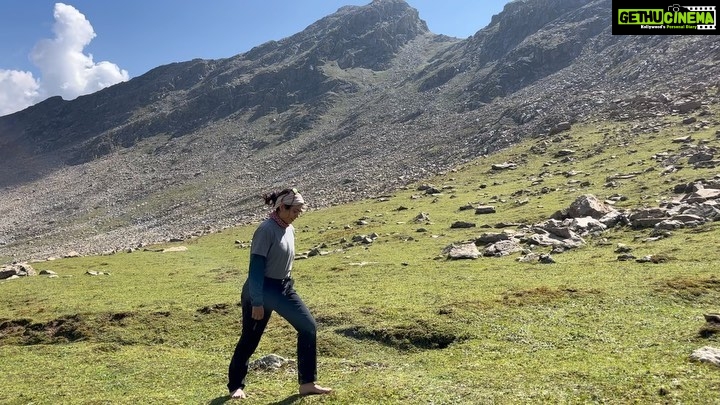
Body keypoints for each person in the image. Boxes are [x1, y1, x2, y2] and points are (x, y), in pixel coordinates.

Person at [227, 188, 332, 399]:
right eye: (294, 211)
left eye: (299, 211)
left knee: (308, 327)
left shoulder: (289, 228)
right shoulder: (266, 230)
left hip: (283, 288)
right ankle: (236, 386)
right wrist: (257, 301)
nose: (297, 215)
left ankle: (307, 383)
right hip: (261, 290)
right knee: (250, 338)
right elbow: (256, 268)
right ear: (281, 207)